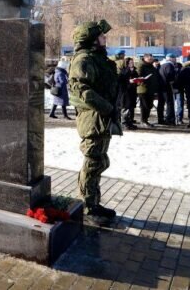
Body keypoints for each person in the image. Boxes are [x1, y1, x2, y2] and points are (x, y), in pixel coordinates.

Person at [68, 19, 122, 225]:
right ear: (90, 39)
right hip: (93, 119)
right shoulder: (83, 59)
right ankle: (87, 207)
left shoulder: (96, 58)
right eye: (100, 35)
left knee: (98, 161)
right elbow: (81, 89)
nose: (104, 38)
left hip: (102, 118)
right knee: (93, 162)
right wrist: (107, 108)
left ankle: (93, 202)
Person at [135, 53, 158, 126]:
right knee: (144, 106)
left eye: (152, 58)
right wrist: (143, 79)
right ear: (145, 58)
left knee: (149, 105)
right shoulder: (141, 65)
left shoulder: (151, 66)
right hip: (143, 89)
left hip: (151, 89)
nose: (151, 60)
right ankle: (143, 120)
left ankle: (146, 120)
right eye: (149, 59)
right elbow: (137, 75)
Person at [119, 57, 139, 130]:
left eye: (132, 62)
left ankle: (130, 122)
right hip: (125, 92)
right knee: (125, 107)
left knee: (131, 108)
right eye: (130, 62)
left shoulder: (134, 71)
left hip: (132, 92)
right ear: (126, 63)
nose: (132, 64)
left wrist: (138, 81)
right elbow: (121, 81)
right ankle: (124, 123)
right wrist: (129, 81)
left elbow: (136, 78)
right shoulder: (124, 71)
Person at [159, 54, 178, 124]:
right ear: (171, 59)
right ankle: (169, 119)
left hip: (161, 87)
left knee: (161, 104)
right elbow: (170, 76)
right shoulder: (170, 65)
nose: (175, 59)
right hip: (167, 87)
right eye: (174, 58)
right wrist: (174, 84)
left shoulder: (162, 65)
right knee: (170, 103)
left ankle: (160, 119)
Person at [153, 60, 167, 124]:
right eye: (155, 63)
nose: (156, 64)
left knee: (161, 104)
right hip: (154, 89)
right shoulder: (152, 69)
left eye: (157, 62)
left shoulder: (160, 68)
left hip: (160, 89)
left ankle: (160, 119)